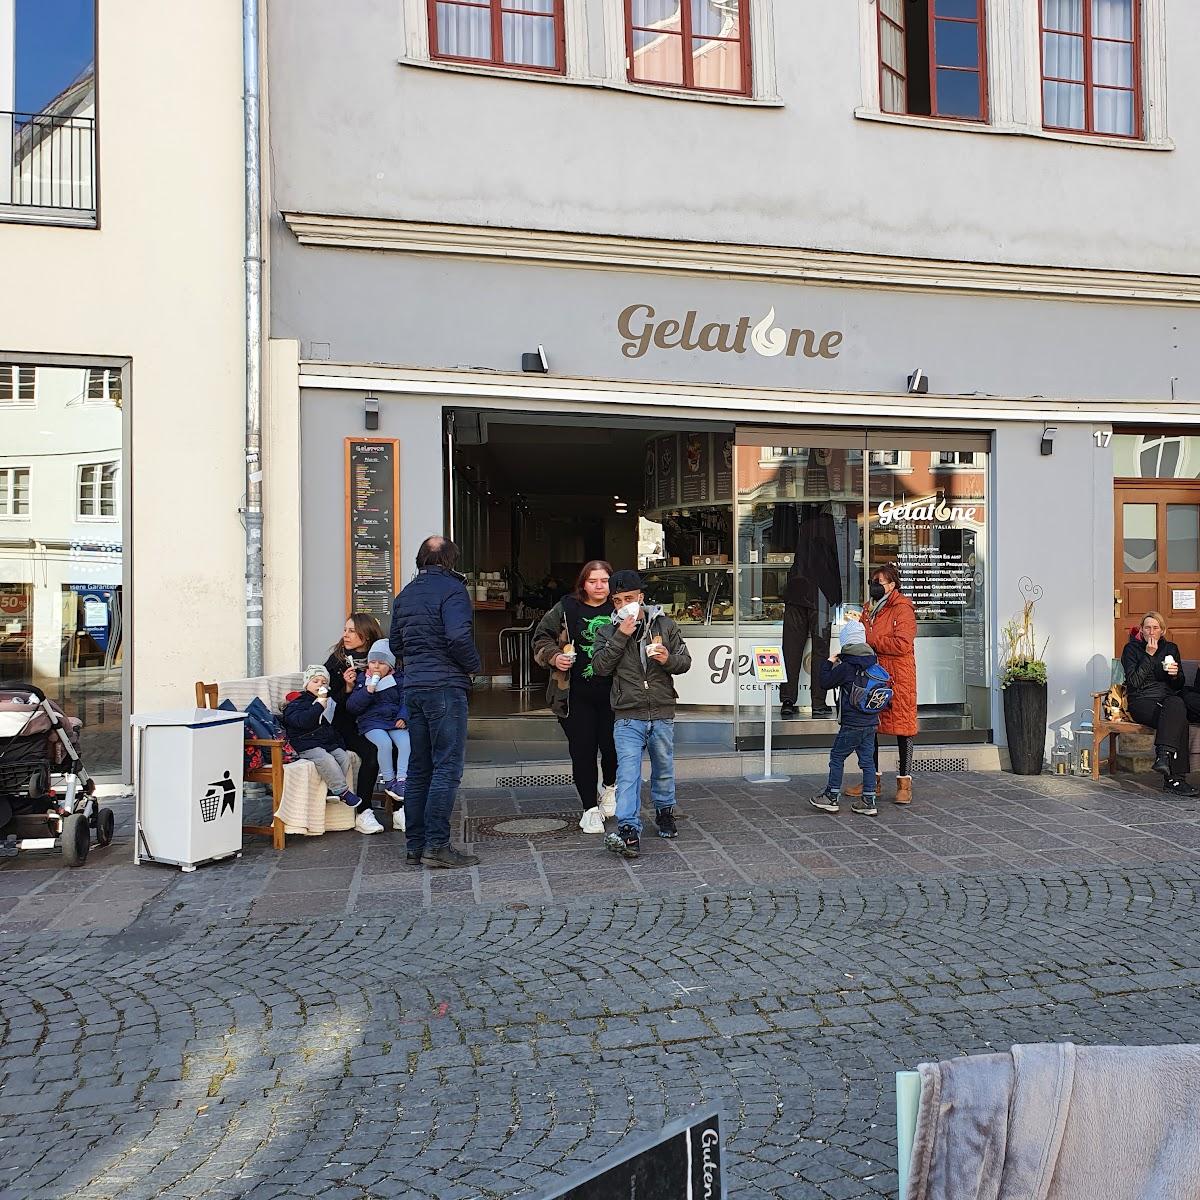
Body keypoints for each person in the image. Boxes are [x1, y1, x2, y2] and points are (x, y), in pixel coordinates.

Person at [389, 536, 481, 868]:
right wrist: (473, 666)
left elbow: (395, 644)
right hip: (445, 685)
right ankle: (438, 845)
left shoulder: (405, 595)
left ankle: (415, 846)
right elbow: (458, 637)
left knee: (419, 768)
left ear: (420, 560)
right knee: (447, 767)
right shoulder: (453, 590)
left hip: (414, 686)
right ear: (451, 560)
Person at [592, 569, 692, 860]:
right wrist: (621, 636)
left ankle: (665, 812)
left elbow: (685, 661)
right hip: (627, 714)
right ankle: (628, 829)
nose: (624, 605)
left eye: (630, 599)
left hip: (661, 709)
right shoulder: (607, 631)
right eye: (618, 600)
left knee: (663, 767)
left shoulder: (665, 625)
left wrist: (668, 659)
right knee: (628, 773)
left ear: (641, 598)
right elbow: (600, 667)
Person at [532, 559, 618, 831]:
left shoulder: (620, 606)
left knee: (613, 747)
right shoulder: (566, 608)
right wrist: (554, 656)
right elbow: (540, 638)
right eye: (593, 581)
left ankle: (609, 787)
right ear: (583, 583)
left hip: (616, 693)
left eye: (604, 581)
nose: (599, 586)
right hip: (573, 693)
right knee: (582, 750)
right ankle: (589, 809)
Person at [844, 563, 918, 806]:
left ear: (892, 585)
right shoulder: (869, 608)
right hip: (873, 674)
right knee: (870, 727)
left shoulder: (902, 608)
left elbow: (903, 644)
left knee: (903, 728)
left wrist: (870, 640)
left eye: (879, 583)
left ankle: (904, 784)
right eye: (872, 582)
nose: (874, 587)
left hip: (898, 676)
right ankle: (871, 782)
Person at [808, 620, 882, 817]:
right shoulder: (874, 663)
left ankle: (831, 796)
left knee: (837, 757)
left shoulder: (847, 666)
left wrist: (828, 662)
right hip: (871, 722)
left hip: (852, 723)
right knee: (867, 762)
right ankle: (868, 801)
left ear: (846, 642)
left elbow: (824, 683)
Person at [1122, 611, 1198, 796]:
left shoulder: (1171, 648)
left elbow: (1178, 685)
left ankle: (1163, 757)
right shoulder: (1131, 649)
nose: (1151, 631)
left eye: (1155, 628)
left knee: (1177, 705)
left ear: (1162, 630)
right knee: (1178, 716)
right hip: (1142, 701)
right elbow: (1134, 682)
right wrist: (1149, 655)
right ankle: (1175, 779)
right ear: (1141, 630)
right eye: (1147, 627)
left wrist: (1175, 675)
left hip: (1167, 700)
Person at [325, 612, 386, 834]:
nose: (346, 635)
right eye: (345, 630)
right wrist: (348, 688)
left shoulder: (380, 659)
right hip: (346, 724)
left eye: (352, 631)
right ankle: (364, 811)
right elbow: (330, 700)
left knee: (397, 745)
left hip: (375, 719)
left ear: (366, 635)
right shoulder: (337, 661)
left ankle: (400, 809)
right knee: (372, 752)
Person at [780, 501, 842, 719]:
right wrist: (838, 597)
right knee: (820, 653)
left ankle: (787, 701)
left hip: (796, 594)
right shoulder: (837, 531)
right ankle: (818, 703)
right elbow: (841, 565)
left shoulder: (804, 527)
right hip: (822, 599)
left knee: (791, 650)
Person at [281, 665, 363, 811]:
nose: (320, 684)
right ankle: (342, 791)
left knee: (343, 756)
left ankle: (332, 791)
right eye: (315, 681)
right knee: (326, 759)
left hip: (322, 742)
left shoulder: (326, 702)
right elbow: (303, 721)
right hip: (304, 743)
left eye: (324, 682)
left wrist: (338, 744)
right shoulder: (298, 701)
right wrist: (319, 704)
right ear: (306, 684)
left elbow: (327, 726)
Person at [346, 639, 410, 810]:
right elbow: (353, 706)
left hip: (393, 720)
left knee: (406, 742)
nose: (376, 666)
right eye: (372, 662)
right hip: (371, 723)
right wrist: (367, 691)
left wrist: (404, 717)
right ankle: (389, 780)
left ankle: (402, 780)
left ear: (390, 665)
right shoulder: (363, 679)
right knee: (384, 743)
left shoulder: (398, 679)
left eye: (381, 663)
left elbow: (406, 700)